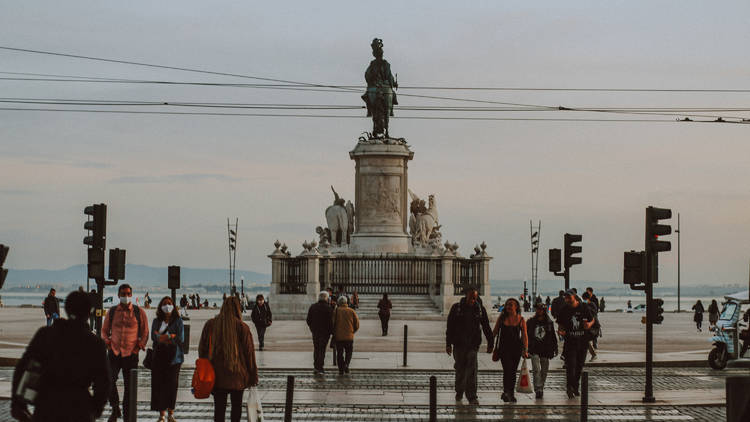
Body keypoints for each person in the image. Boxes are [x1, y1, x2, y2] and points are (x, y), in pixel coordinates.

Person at [11, 291, 110, 422]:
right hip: (79, 407)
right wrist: (95, 409)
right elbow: (103, 381)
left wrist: (18, 403)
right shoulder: (95, 344)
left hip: (47, 405)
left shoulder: (45, 335)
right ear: (89, 312)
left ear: (67, 309)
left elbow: (22, 368)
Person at [198, 296, 258, 422]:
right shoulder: (242, 327)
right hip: (238, 375)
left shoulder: (211, 324)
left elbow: (202, 350)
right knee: (236, 408)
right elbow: (249, 355)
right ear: (238, 309)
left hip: (217, 376)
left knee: (219, 409)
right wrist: (253, 376)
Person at [101, 284, 148, 422]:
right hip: (114, 352)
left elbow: (145, 332)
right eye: (123, 293)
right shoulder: (112, 311)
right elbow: (104, 330)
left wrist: (139, 347)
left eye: (128, 293)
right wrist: (107, 342)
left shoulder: (139, 312)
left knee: (129, 386)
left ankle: (128, 415)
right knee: (109, 380)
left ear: (131, 295)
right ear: (118, 295)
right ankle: (115, 408)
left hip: (131, 353)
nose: (125, 296)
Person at [446, 288, 493, 406]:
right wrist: (448, 344)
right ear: (466, 295)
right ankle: (459, 391)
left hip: (473, 344)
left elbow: (486, 326)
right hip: (459, 344)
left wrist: (490, 342)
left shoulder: (480, 309)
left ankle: (472, 396)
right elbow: (450, 327)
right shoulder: (456, 308)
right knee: (460, 369)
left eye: (475, 297)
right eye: (471, 297)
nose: (473, 300)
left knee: (472, 370)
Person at [150, 296, 184, 422]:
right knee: (159, 385)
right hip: (159, 357)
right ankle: (162, 414)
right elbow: (154, 337)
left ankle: (171, 413)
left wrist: (164, 337)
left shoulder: (178, 321)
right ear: (160, 306)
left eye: (169, 303)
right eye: (164, 303)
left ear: (173, 306)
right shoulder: (156, 321)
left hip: (174, 358)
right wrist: (170, 336)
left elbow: (180, 338)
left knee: (172, 385)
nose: (167, 306)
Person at [557, 290, 595, 399]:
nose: (567, 300)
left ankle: (575, 386)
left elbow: (593, 320)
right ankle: (569, 387)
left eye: (569, 297)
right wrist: (560, 331)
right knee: (571, 366)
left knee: (579, 366)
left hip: (583, 342)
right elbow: (560, 324)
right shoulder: (564, 310)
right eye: (566, 298)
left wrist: (589, 324)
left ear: (574, 297)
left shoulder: (584, 307)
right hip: (570, 342)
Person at [492, 298, 528, 403]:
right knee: (507, 370)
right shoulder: (502, 318)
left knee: (513, 371)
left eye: (511, 304)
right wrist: (490, 344)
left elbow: (525, 336)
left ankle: (510, 393)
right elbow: (495, 331)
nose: (508, 306)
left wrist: (525, 349)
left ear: (516, 306)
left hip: (516, 349)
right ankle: (506, 392)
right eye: (507, 304)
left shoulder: (521, 319)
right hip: (504, 349)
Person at [526, 302, 558, 399]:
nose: (539, 311)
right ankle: (538, 389)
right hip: (534, 348)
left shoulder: (549, 322)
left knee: (544, 370)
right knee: (536, 369)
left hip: (545, 349)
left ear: (544, 310)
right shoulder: (531, 322)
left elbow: (553, 336)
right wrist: (525, 348)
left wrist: (555, 348)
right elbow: (526, 336)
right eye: (537, 309)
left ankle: (541, 386)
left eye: (541, 309)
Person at [306, 291, 334, 374]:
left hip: (315, 332)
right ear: (327, 298)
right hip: (325, 333)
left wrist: (312, 328)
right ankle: (320, 367)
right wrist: (331, 332)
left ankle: (315, 366)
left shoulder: (313, 307)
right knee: (322, 350)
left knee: (316, 349)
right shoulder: (329, 308)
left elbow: (308, 320)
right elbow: (331, 322)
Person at [332, 295, 359, 375]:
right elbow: (357, 324)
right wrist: (352, 331)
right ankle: (346, 364)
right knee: (349, 352)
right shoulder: (351, 311)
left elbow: (332, 323)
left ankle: (341, 368)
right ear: (346, 302)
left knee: (339, 353)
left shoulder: (336, 311)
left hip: (339, 336)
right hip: (349, 336)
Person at [581, 292, 600, 361]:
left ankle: (593, 354)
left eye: (584, 299)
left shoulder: (591, 305)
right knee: (586, 340)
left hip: (593, 325)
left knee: (586, 340)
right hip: (590, 325)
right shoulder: (587, 305)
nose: (584, 300)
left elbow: (593, 314)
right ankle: (593, 354)